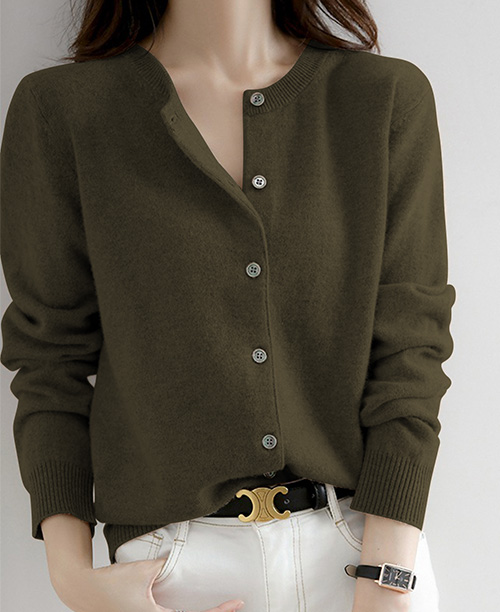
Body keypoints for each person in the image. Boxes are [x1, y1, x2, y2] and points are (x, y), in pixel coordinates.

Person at [0, 1, 456, 611]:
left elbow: (412, 347)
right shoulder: (64, 109)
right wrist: (73, 578)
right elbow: (49, 358)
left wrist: (388, 579)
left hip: (364, 549)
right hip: (170, 573)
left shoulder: (384, 97)